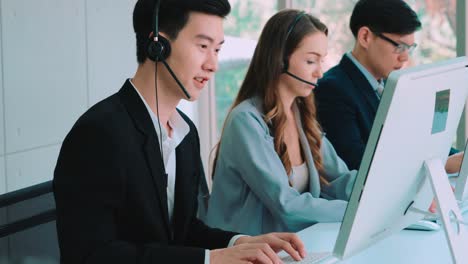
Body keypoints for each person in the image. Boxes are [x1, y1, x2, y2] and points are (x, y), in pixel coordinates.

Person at [52, 0, 306, 263]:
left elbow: (182, 232)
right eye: (203, 46)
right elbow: (92, 255)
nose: (213, 64)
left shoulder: (185, 133)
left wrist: (239, 242)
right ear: (158, 46)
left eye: (217, 49)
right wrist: (210, 260)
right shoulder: (98, 134)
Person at [205, 9, 357, 236]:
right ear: (279, 59)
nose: (319, 72)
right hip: (248, 252)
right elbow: (286, 205)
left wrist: (382, 193)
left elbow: (339, 179)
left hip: (290, 246)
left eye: (321, 61)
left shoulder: (300, 115)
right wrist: (356, 212)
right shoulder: (245, 122)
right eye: (310, 60)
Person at [315, 0, 463, 172]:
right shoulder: (332, 90)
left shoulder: (391, 84)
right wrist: (441, 165)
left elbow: (415, 140)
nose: (405, 58)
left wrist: (458, 157)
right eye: (399, 47)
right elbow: (357, 165)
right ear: (365, 37)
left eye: (409, 48)